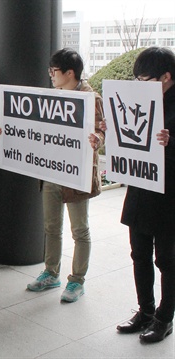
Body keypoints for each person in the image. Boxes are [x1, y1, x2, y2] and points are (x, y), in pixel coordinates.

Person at [0, 48, 104, 303]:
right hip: (52, 172)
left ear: (70, 72)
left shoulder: (91, 98)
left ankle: (77, 280)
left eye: (54, 71)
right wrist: (9, 131)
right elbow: (36, 132)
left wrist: (97, 139)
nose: (51, 76)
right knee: (51, 226)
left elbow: (102, 130)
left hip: (77, 175)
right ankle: (51, 272)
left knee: (80, 229)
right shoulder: (52, 97)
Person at [114, 47, 175, 343]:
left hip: (168, 198)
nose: (141, 86)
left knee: (166, 260)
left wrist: (171, 142)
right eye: (137, 80)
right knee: (139, 254)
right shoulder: (137, 100)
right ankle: (146, 311)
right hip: (140, 190)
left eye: (147, 80)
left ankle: (165, 317)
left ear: (167, 76)